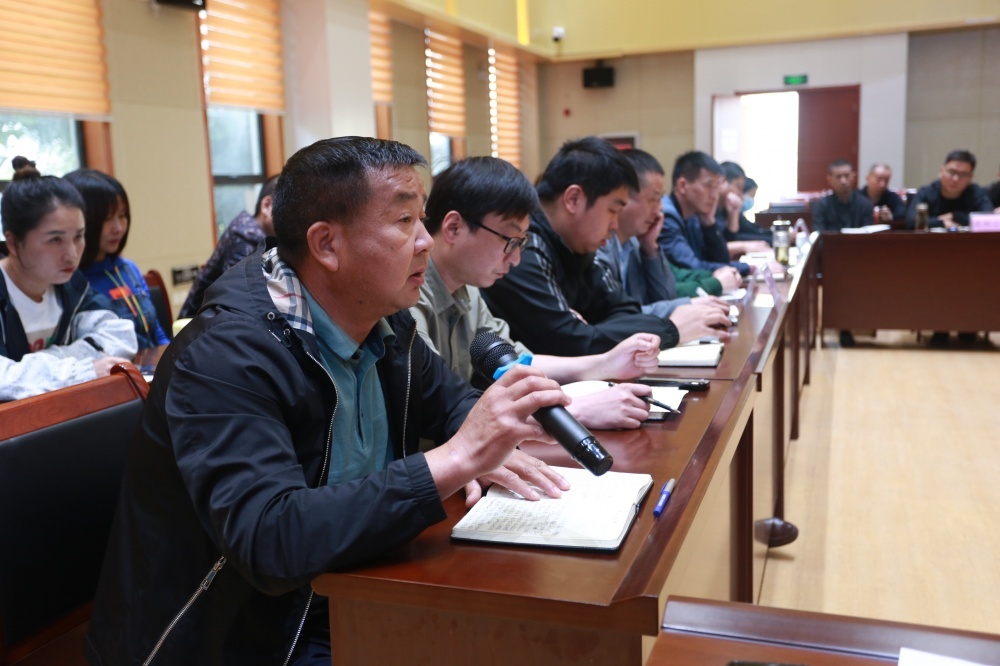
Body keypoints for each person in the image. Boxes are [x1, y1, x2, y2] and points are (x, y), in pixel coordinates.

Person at [86, 137, 575, 664]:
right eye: (404, 221)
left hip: (350, 590)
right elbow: (270, 540)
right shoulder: (225, 357)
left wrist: (488, 441)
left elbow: (454, 405)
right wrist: (459, 458)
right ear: (326, 245)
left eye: (423, 220)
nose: (425, 242)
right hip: (244, 637)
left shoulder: (386, 321)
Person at [415, 156, 660, 431]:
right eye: (510, 241)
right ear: (454, 228)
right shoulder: (409, 296)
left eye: (521, 243)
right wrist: (576, 411)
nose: (516, 259)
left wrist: (603, 363)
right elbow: (444, 406)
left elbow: (517, 364)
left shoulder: (469, 290)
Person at [481, 137, 725, 357]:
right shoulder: (525, 248)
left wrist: (591, 331)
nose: (615, 224)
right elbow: (571, 344)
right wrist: (670, 329)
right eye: (612, 210)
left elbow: (624, 310)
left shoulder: (576, 245)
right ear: (573, 199)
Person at [1, 157, 137, 402]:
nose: (72, 254)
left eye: (78, 237)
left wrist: (52, 360)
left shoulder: (70, 285)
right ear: (13, 242)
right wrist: (81, 371)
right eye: (55, 240)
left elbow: (120, 335)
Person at [595, 149, 736, 321]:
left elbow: (665, 295)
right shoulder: (599, 246)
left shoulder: (635, 242)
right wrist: (687, 304)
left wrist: (651, 250)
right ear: (623, 199)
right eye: (653, 199)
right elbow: (617, 318)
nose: (660, 208)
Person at [64, 169, 169, 350]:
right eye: (107, 219)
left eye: (122, 215)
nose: (118, 228)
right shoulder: (70, 282)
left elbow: (156, 333)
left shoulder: (128, 268)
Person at [178, 175, 279, 318]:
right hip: (199, 324)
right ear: (267, 206)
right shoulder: (243, 237)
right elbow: (243, 297)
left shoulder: (260, 237)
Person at [658, 151, 754, 276]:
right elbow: (694, 267)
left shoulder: (694, 216)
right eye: (709, 186)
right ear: (682, 186)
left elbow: (720, 260)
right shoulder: (666, 217)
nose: (714, 196)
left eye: (716, 187)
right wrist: (749, 268)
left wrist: (709, 223)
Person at [905, 150, 993, 229]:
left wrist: (955, 216)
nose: (955, 179)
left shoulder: (978, 194)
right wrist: (941, 222)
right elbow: (911, 222)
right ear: (941, 171)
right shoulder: (926, 193)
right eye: (951, 172)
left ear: (970, 178)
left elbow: (990, 221)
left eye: (963, 175)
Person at [810, 159, 874, 232]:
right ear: (829, 179)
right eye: (838, 177)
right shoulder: (821, 205)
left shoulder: (865, 204)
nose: (843, 181)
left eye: (846, 176)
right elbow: (818, 234)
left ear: (853, 177)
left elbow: (868, 234)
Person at [717, 161, 773, 244]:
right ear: (723, 182)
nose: (740, 193)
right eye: (738, 187)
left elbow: (733, 236)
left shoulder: (726, 208)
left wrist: (734, 213)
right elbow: (728, 241)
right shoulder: (713, 209)